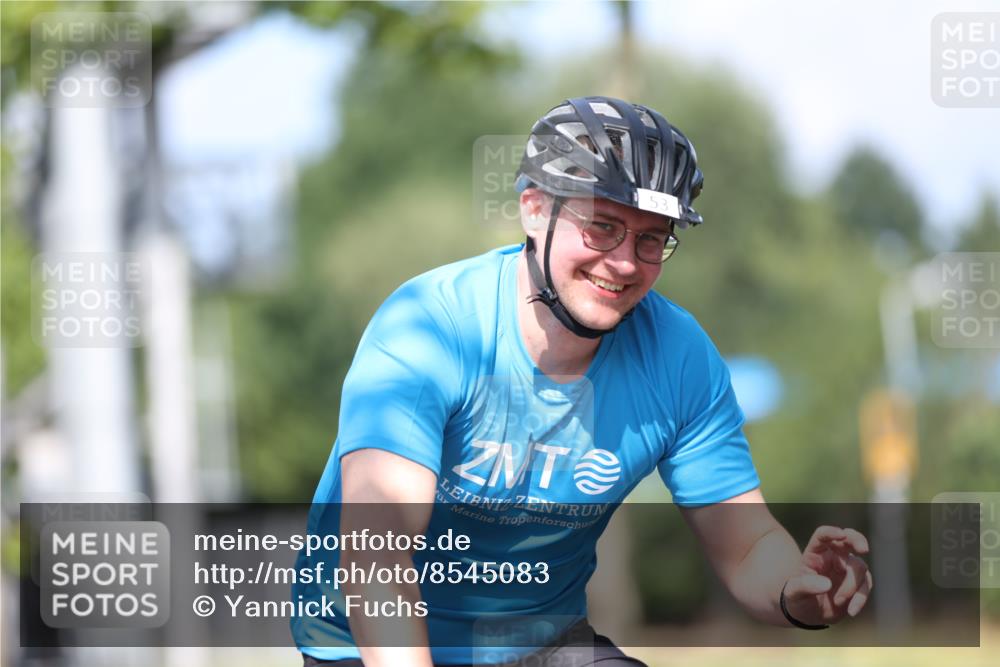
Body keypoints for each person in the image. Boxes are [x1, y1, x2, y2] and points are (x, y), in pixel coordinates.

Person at [291, 96, 873, 667]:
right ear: (534, 208)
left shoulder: (679, 358)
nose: (623, 262)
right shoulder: (430, 327)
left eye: (651, 239)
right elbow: (376, 566)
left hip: (540, 643)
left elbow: (746, 546)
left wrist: (797, 590)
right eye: (602, 227)